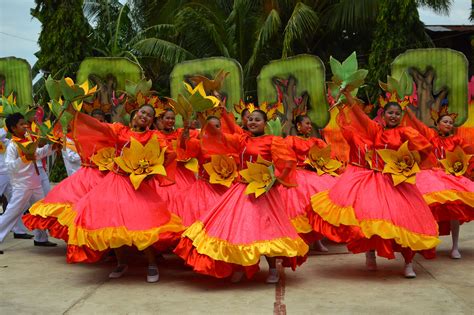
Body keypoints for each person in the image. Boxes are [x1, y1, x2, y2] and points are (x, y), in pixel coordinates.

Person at [309, 91, 440, 278]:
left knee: (405, 221)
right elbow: (361, 118)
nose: (393, 116)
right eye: (390, 113)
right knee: (368, 219)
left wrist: (412, 161)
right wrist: (350, 100)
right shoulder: (375, 131)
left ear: (400, 116)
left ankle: (408, 262)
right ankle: (370, 256)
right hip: (376, 181)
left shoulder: (406, 132)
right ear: (383, 115)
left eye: (397, 113)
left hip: (399, 183)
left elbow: (425, 147)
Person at [174, 109, 308, 284]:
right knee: (240, 230)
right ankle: (240, 268)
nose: (252, 122)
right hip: (242, 189)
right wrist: (203, 118)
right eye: (250, 119)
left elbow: (287, 162)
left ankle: (273, 268)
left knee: (267, 230)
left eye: (257, 120)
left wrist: (276, 180)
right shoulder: (241, 139)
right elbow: (218, 137)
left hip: (264, 193)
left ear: (265, 123)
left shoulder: (272, 141)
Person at [63, 104, 184, 282]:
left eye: (149, 115)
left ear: (152, 121)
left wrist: (153, 171)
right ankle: (121, 262)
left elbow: (169, 154)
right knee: (114, 224)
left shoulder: (154, 135)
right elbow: (99, 127)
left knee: (143, 224)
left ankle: (151, 263)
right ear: (135, 114)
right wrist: (78, 115)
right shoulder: (120, 130)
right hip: (115, 182)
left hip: (138, 185)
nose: (145, 116)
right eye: (142, 112)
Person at [403, 107, 474, 259]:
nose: (449, 124)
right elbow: (417, 124)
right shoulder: (431, 136)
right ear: (438, 123)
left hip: (449, 177)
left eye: (451, 122)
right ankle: (428, 245)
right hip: (431, 177)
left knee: (455, 211)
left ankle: (455, 247)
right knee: (428, 210)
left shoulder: (457, 140)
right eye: (445, 121)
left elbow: (469, 153)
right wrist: (407, 110)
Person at [279, 115, 339, 250]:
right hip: (297, 174)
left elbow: (328, 155)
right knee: (299, 207)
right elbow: (283, 156)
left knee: (318, 205)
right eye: (307, 123)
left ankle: (318, 241)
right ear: (298, 126)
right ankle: (299, 242)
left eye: (310, 124)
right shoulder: (291, 140)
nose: (310, 126)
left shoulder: (316, 141)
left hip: (313, 174)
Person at [0, 113, 57, 254]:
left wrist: (52, 148)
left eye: (25, 123)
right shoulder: (13, 145)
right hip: (22, 185)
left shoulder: (29, 140)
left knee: (41, 212)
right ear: (13, 128)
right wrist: (24, 159)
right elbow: (9, 166)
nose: (25, 126)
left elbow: (37, 154)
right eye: (21, 124)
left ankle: (41, 238)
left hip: (35, 182)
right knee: (11, 214)